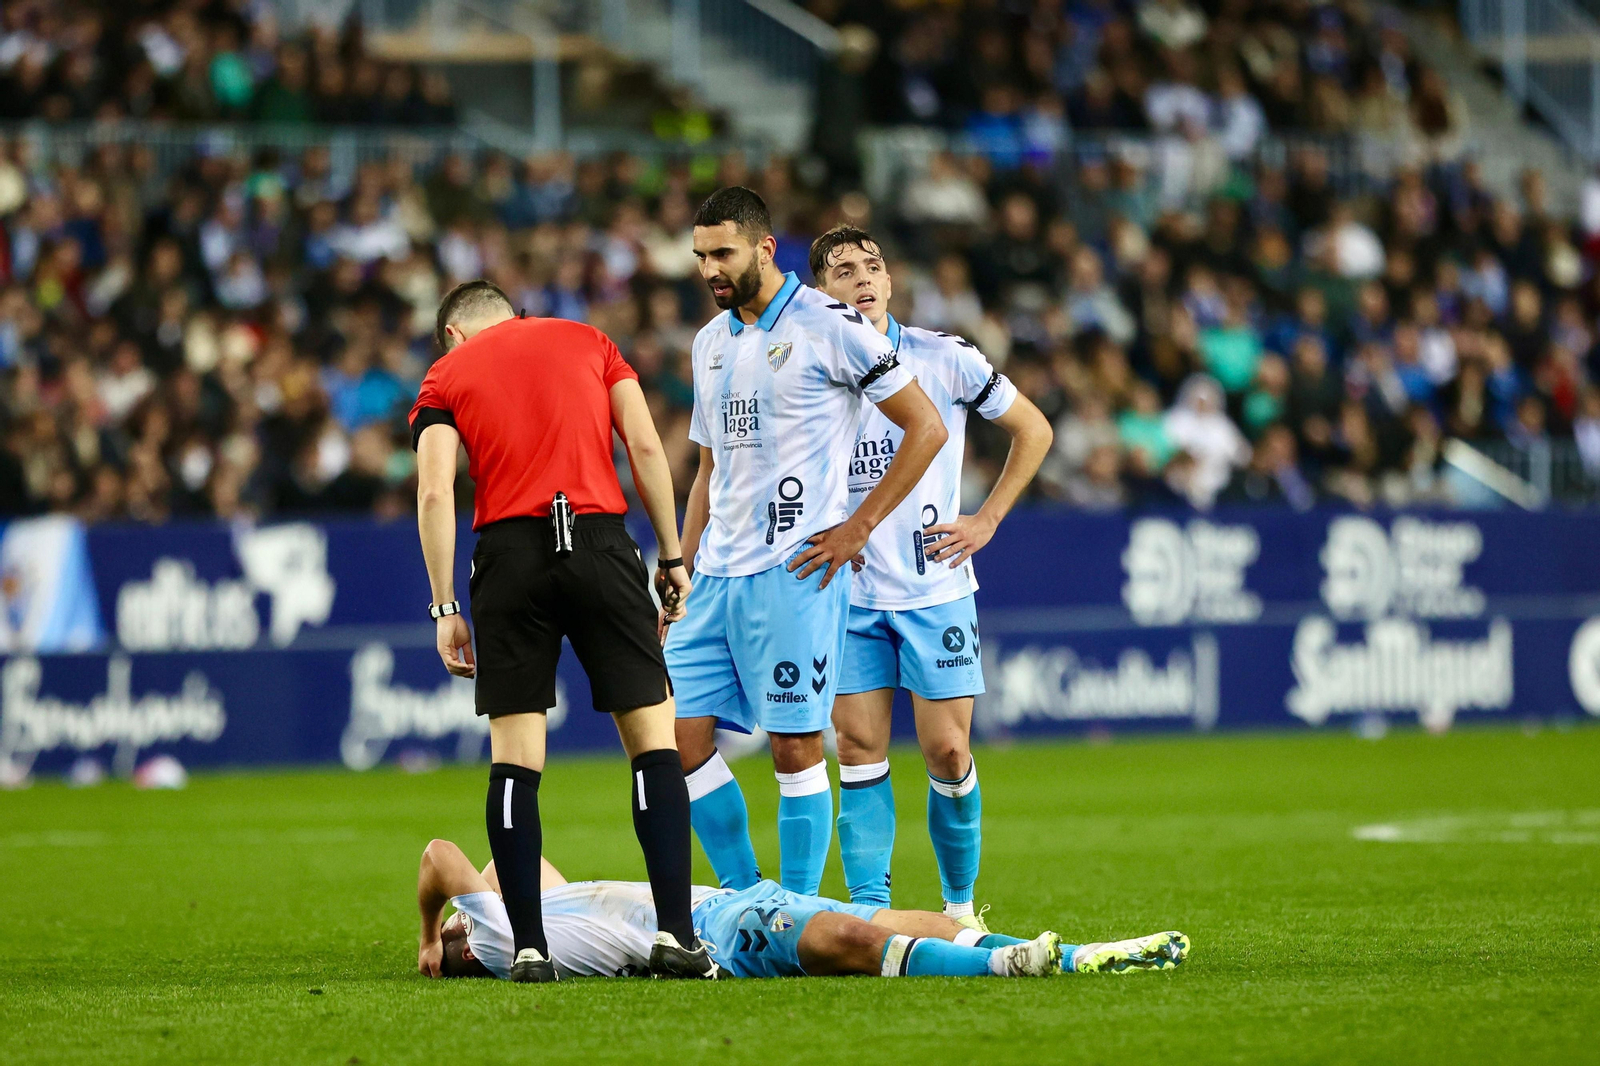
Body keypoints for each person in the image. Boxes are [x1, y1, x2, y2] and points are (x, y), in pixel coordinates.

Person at [409, 281, 711, 983]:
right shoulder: (589, 341)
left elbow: (434, 491)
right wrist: (671, 558)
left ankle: (528, 948)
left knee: (516, 762)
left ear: (453, 334)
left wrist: (444, 606)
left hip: (508, 558)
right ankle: (676, 937)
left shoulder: (445, 375)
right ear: (512, 313)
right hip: (600, 541)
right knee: (653, 746)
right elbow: (645, 445)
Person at [668, 188, 948, 896]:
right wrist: (679, 567)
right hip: (715, 575)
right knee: (679, 741)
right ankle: (748, 897)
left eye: (723, 253)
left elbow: (927, 427)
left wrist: (859, 526)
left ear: (765, 248)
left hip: (794, 568)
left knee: (794, 748)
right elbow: (707, 470)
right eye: (700, 256)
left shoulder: (829, 323)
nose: (710, 269)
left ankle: (792, 912)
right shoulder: (709, 342)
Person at [811, 225, 1053, 924]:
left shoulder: (943, 357)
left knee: (948, 750)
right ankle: (871, 914)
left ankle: (959, 909)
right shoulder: (808, 367)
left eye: (872, 266)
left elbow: (1034, 429)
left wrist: (988, 519)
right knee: (858, 750)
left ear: (890, 282)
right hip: (848, 593)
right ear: (820, 293)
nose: (862, 277)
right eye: (843, 270)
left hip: (934, 587)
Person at [415, 838, 1190, 980]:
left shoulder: (532, 907)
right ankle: (1006, 966)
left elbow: (503, 862)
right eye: (461, 920)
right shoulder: (501, 938)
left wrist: (458, 914)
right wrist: (428, 935)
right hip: (722, 937)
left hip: (740, 902)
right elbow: (442, 857)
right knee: (852, 937)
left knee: (903, 922)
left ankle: (1075, 956)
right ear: (468, 940)